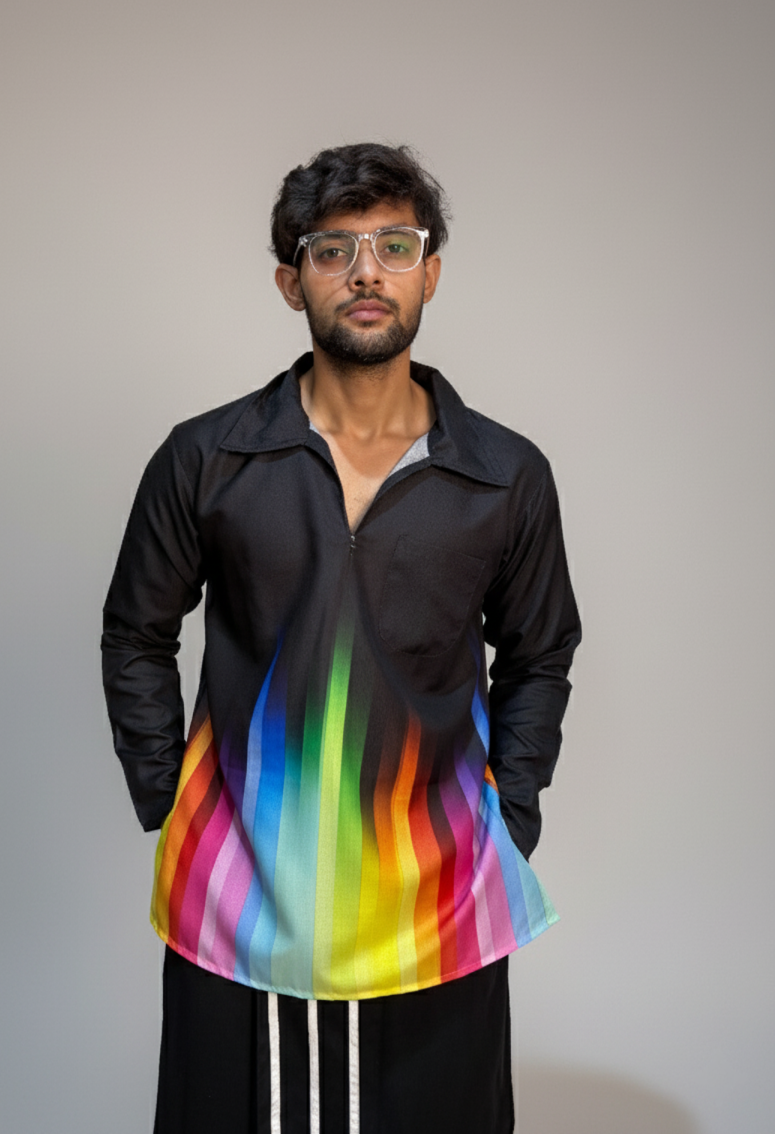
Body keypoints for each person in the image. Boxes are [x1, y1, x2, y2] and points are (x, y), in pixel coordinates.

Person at [102, 143, 581, 1134]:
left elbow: (539, 653)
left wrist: (510, 815)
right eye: (334, 250)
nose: (367, 272)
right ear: (293, 282)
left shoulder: (506, 473)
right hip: (241, 905)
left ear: (430, 272)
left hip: (437, 900)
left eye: (394, 246)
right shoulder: (207, 457)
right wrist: (171, 801)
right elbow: (135, 631)